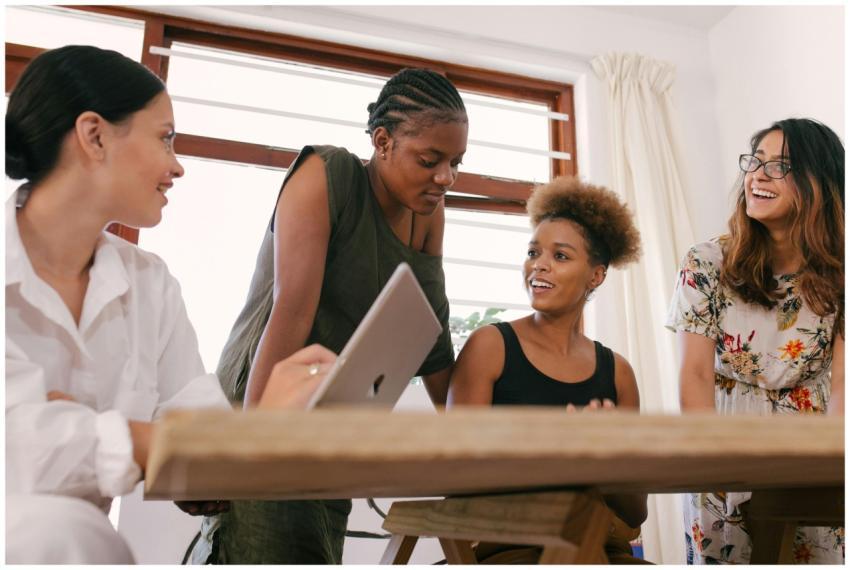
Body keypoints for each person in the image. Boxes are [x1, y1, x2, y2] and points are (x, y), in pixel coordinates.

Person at [5, 45, 336, 565]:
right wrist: (155, 442)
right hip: (56, 544)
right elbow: (20, 451)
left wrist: (262, 429)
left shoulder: (149, 285)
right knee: (57, 526)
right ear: (94, 136)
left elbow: (200, 449)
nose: (177, 165)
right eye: (165, 138)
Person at [192, 68, 468, 564]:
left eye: (455, 163)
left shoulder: (429, 212)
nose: (445, 177)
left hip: (334, 424)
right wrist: (246, 449)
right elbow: (291, 314)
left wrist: (478, 438)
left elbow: (433, 339)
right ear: (382, 142)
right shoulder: (326, 174)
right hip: (265, 406)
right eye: (430, 160)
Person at [667, 118, 844, 564]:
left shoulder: (841, 275)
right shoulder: (706, 262)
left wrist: (830, 464)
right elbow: (694, 373)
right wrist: (713, 459)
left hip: (809, 448)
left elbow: (843, 384)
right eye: (756, 161)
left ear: (819, 184)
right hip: (719, 439)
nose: (758, 175)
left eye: (780, 166)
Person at [448, 176, 649, 564]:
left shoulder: (618, 372)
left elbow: (635, 510)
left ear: (596, 274)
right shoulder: (489, 347)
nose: (538, 265)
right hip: (509, 550)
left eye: (560, 256)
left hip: (601, 552)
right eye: (533, 252)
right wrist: (560, 454)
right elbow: (457, 476)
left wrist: (609, 457)